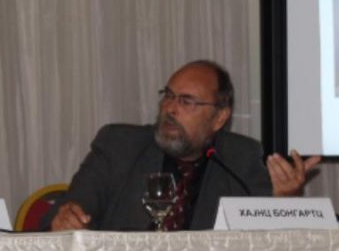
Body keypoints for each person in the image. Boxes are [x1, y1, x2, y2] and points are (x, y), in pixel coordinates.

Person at [45, 60, 320, 231]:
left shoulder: (241, 158)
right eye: (168, 96)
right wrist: (64, 219)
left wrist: (284, 203)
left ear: (219, 118)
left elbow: (266, 246)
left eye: (187, 101)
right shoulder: (119, 146)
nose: (170, 109)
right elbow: (61, 215)